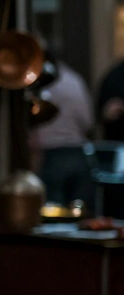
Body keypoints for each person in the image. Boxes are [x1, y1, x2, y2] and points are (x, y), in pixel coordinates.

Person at [31, 53, 94, 210]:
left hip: (50, 154)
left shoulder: (36, 81)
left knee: (52, 212)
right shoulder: (74, 80)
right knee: (80, 213)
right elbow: (88, 122)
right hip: (76, 152)